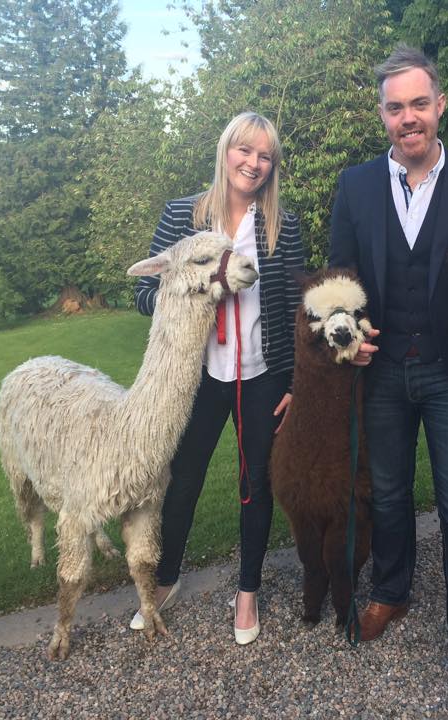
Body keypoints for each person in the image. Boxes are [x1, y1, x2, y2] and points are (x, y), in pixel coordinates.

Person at [328, 46, 448, 718]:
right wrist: (347, 331)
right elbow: (340, 279)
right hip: (379, 371)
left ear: (440, 106)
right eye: (395, 107)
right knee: (387, 494)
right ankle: (391, 589)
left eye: (418, 104)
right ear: (382, 114)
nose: (408, 117)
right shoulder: (354, 187)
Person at [132, 111, 305, 645]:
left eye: (265, 156)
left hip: (262, 375)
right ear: (226, 151)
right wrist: (195, 294)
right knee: (183, 477)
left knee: (256, 482)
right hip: (199, 375)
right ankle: (165, 578)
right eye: (244, 150)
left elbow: (298, 309)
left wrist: (295, 385)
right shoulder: (183, 215)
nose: (253, 163)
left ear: (272, 165)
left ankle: (248, 591)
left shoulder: (282, 226)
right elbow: (144, 293)